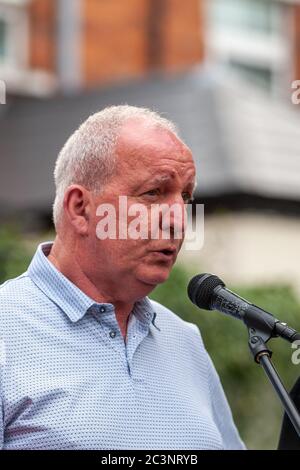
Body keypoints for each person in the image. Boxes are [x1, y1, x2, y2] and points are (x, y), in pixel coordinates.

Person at [0, 106, 245, 450]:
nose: (179, 221)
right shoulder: (6, 331)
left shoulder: (186, 342)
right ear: (80, 209)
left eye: (186, 198)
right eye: (154, 193)